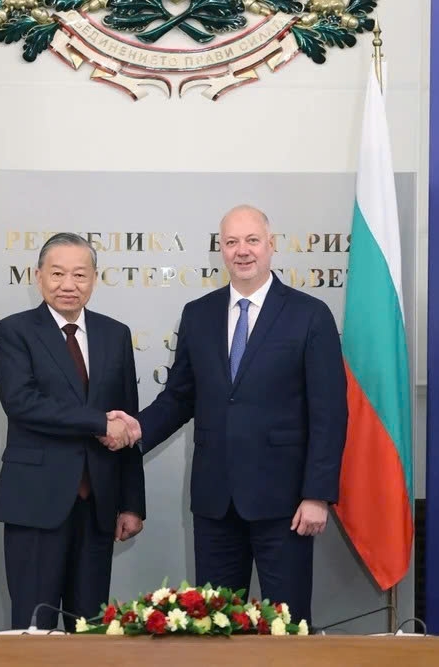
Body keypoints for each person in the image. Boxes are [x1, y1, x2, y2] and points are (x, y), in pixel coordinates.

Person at [106, 205, 346, 624]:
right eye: (231, 242)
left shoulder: (310, 315)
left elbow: (330, 411)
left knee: (287, 626)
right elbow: (180, 397)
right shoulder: (198, 314)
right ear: (221, 250)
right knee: (214, 624)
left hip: (286, 504)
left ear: (271, 246)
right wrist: (137, 428)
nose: (242, 251)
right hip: (216, 503)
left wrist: (317, 494)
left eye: (252, 240)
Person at [0, 232, 145, 631]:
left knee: (90, 626)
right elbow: (22, 403)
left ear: (94, 279)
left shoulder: (116, 334)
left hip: (98, 504)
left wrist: (131, 503)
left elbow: (128, 417)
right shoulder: (14, 331)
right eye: (57, 273)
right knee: (34, 623)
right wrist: (98, 423)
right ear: (38, 276)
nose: (68, 285)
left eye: (79, 274)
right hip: (36, 500)